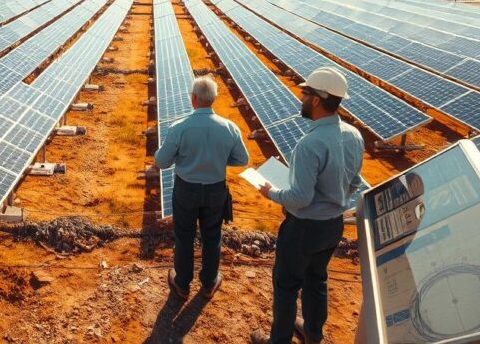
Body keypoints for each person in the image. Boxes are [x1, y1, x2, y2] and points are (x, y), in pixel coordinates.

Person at [251, 67, 364, 344]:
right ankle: (313, 333)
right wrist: (335, 200)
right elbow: (356, 181)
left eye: (305, 93)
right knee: (317, 278)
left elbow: (300, 197)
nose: (300, 97)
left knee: (287, 286)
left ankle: (279, 341)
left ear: (317, 99)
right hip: (332, 226)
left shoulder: (309, 144)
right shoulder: (353, 135)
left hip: (302, 228)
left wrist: (272, 192)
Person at [154, 75, 250, 300]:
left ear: (193, 98)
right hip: (216, 190)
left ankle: (182, 284)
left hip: (186, 190)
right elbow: (242, 159)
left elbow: (161, 162)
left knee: (184, 235)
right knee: (212, 236)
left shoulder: (180, 127)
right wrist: (217, 160)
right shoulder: (230, 127)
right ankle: (208, 283)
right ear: (214, 98)